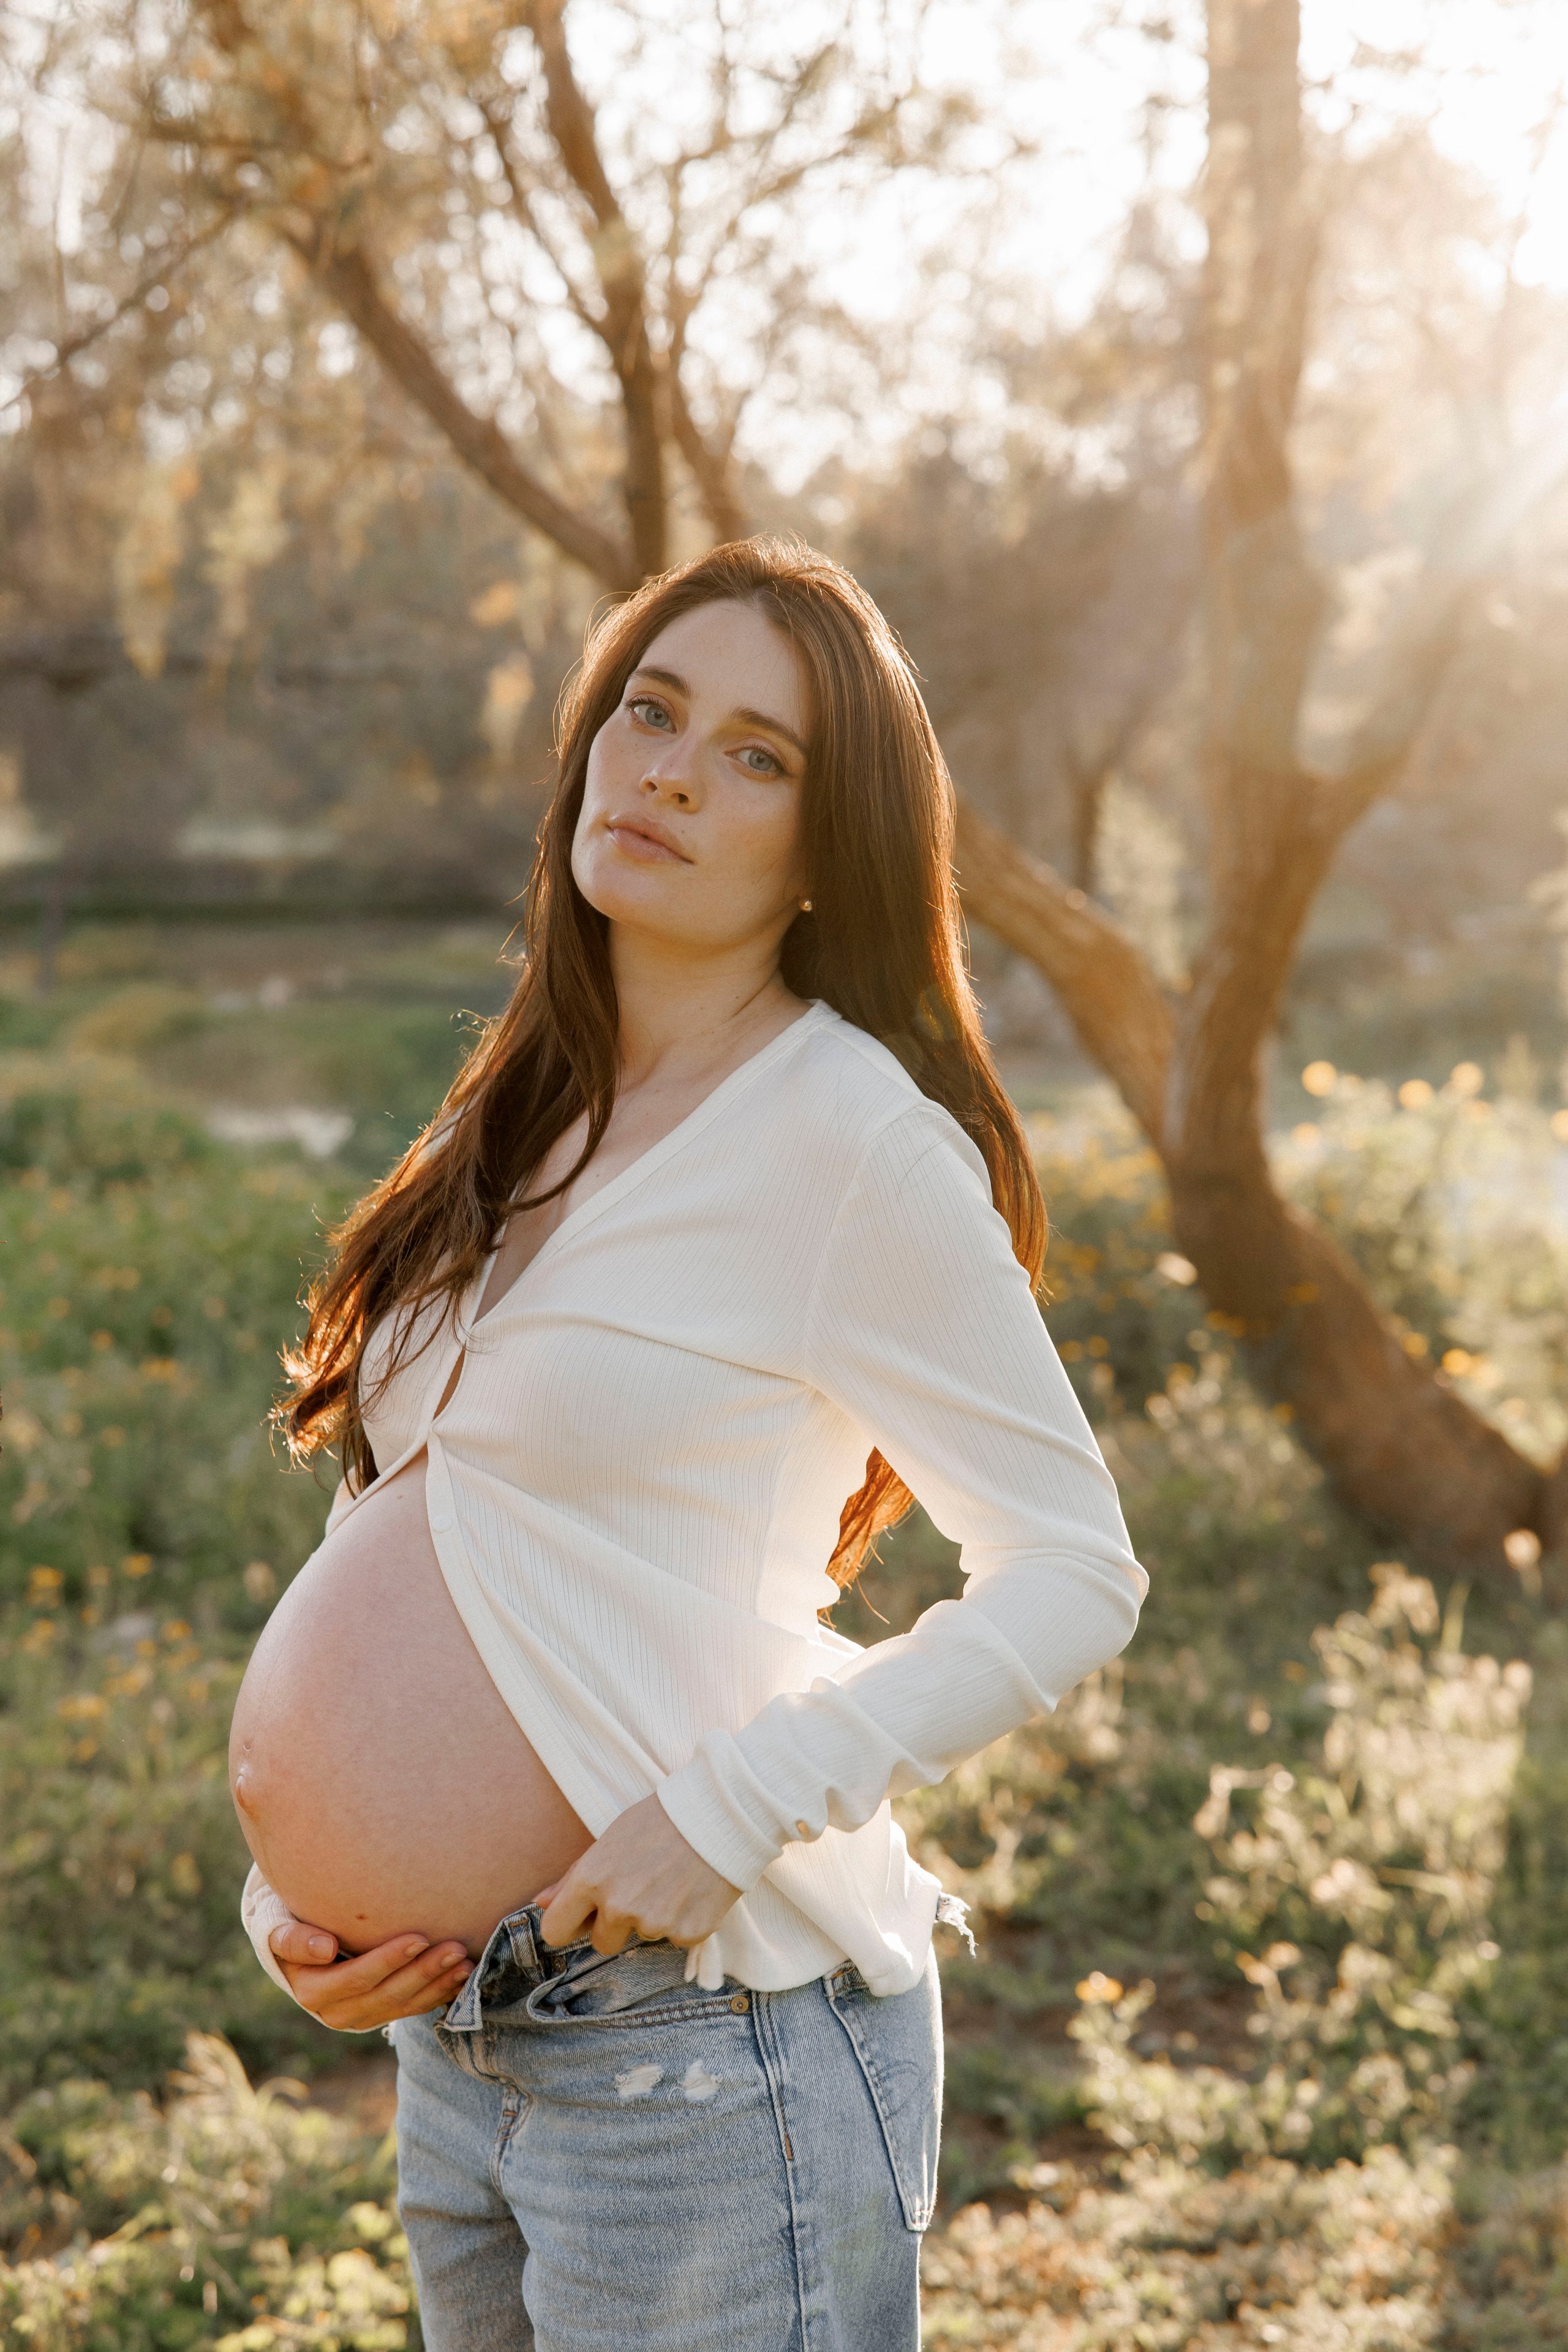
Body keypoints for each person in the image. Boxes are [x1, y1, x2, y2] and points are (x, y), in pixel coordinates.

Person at [231, 537, 1146, 2351]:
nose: (666, 769)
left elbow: (1074, 1574)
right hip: (460, 2043)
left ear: (827, 852)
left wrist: (729, 1808)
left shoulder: (849, 1139)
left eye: (756, 754)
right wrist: (304, 1886)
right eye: (650, 712)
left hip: (706, 2058)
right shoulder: (532, 1106)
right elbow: (427, 1515)